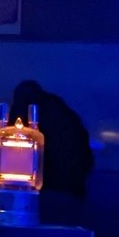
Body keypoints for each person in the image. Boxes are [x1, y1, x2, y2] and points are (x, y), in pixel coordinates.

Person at [11, 79, 94, 224]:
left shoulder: (25, 114)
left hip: (40, 190)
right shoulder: (63, 113)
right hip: (71, 189)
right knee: (63, 234)